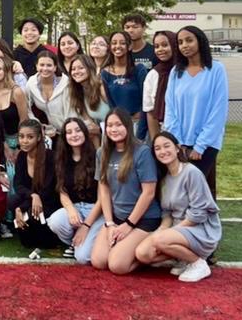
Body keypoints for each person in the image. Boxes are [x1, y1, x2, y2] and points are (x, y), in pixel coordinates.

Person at [135, 132, 221, 282]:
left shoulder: (191, 173)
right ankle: (183, 258)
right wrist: (161, 230)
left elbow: (199, 213)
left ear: (177, 148)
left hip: (199, 229)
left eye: (167, 146)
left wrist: (170, 232)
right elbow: (167, 213)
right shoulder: (164, 179)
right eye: (158, 148)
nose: (163, 151)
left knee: (159, 240)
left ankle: (198, 263)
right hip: (178, 229)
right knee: (143, 254)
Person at [90, 108, 162, 275]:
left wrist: (128, 225)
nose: (113, 129)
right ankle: (126, 248)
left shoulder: (142, 152)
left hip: (143, 218)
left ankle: (152, 255)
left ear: (128, 127)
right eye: (109, 125)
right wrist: (109, 223)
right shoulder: (102, 153)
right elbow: (104, 191)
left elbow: (149, 193)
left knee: (117, 266)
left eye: (118, 125)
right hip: (117, 217)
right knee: (99, 261)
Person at [164, 26, 228, 199]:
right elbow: (170, 108)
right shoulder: (175, 72)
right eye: (180, 42)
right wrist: (176, 141)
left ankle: (207, 224)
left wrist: (200, 145)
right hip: (180, 143)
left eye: (189, 40)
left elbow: (218, 110)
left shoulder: (216, 70)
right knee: (179, 191)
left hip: (206, 144)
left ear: (200, 41)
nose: (184, 45)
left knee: (197, 190)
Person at [47, 117, 104, 263]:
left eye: (78, 130)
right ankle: (74, 242)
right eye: (69, 132)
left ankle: (87, 241)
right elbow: (62, 190)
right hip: (76, 208)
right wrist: (71, 209)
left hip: (96, 211)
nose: (74, 135)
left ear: (85, 133)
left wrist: (86, 225)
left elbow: (103, 197)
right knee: (55, 221)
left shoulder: (97, 156)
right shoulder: (61, 159)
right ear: (65, 137)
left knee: (83, 258)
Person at [9, 119, 61, 251]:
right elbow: (18, 184)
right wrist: (31, 197)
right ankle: (26, 220)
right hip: (31, 200)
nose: (24, 141)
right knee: (26, 242)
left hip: (49, 201)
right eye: (21, 136)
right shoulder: (21, 156)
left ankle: (50, 233)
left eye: (30, 137)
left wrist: (23, 206)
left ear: (39, 138)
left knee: (45, 242)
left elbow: (49, 189)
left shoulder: (51, 157)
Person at [0, 56, 29, 204]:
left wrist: (18, 147)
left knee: (14, 176)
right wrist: (3, 146)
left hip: (18, 139)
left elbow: (24, 120)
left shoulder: (16, 92)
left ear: (6, 71)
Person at [101, 31, 148, 139]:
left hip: (138, 123)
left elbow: (146, 101)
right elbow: (111, 104)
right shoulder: (105, 73)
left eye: (122, 43)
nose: (118, 46)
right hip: (118, 125)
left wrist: (140, 131)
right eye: (114, 43)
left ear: (129, 46)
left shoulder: (139, 69)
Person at [24, 51, 71, 138]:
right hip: (49, 133)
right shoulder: (31, 83)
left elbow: (71, 113)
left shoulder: (66, 84)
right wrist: (38, 125)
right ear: (36, 66)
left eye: (49, 65)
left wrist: (65, 131)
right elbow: (26, 108)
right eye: (41, 65)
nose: (45, 68)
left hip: (69, 131)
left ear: (55, 67)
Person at [67, 54, 110, 147]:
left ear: (90, 68)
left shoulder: (101, 87)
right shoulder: (79, 93)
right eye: (73, 69)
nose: (76, 72)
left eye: (81, 68)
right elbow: (91, 125)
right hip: (102, 138)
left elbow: (120, 114)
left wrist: (100, 130)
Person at [142, 31, 177, 141]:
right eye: (156, 46)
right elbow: (150, 111)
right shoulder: (152, 75)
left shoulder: (185, 71)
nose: (160, 49)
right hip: (164, 131)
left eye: (165, 45)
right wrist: (156, 141)